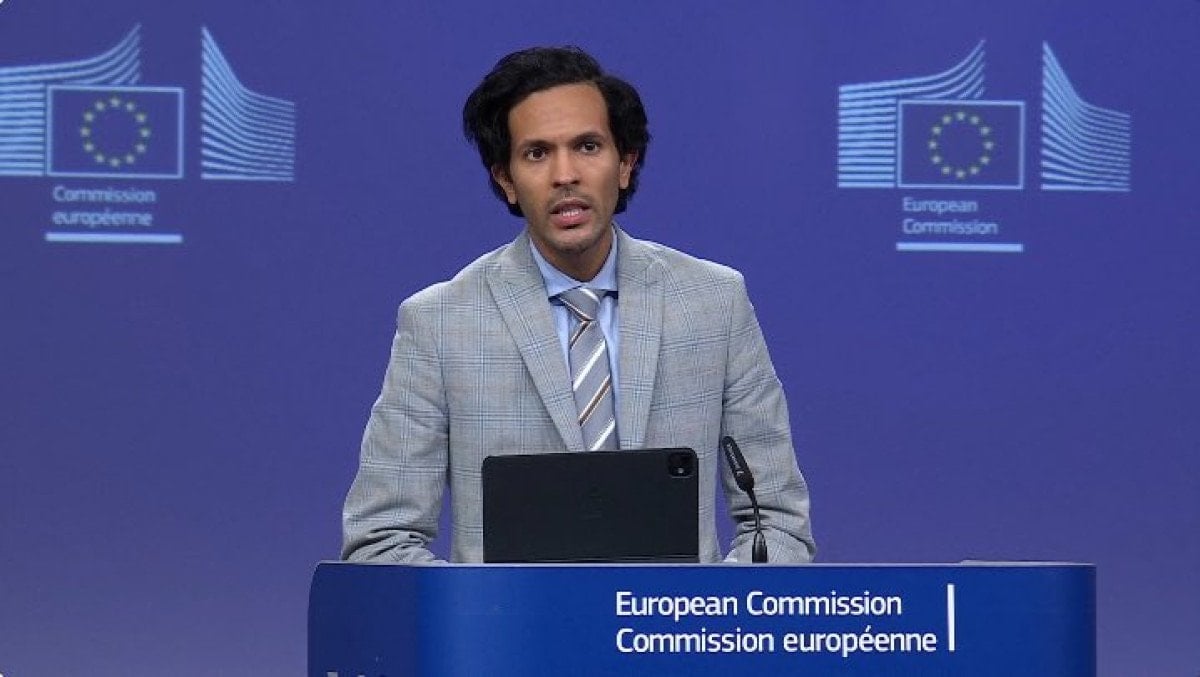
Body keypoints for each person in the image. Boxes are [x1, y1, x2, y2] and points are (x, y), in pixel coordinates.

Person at [342, 46, 815, 563]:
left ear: (625, 163)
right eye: (537, 153)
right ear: (505, 180)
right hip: (507, 618)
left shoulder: (714, 303)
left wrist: (699, 609)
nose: (565, 174)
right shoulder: (438, 324)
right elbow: (380, 543)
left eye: (588, 146)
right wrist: (484, 608)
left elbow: (778, 523)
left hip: (671, 616)